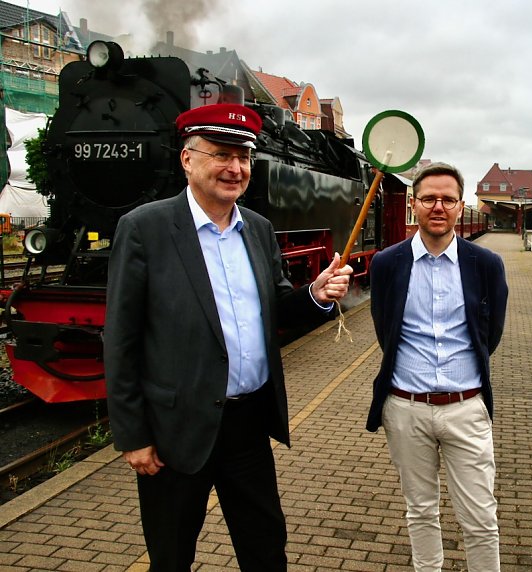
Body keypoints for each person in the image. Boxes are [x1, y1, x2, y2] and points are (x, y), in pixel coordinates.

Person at [104, 103, 353, 571]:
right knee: (172, 556)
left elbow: (276, 305)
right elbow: (121, 338)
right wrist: (133, 435)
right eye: (221, 154)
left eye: (243, 157)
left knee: (265, 551)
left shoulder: (257, 230)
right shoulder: (145, 228)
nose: (235, 168)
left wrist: (315, 294)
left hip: (248, 425)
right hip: (176, 431)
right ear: (187, 159)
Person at [367, 162, 509, 571]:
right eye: (429, 198)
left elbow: (490, 335)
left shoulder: (486, 264)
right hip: (405, 409)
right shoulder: (387, 263)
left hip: (466, 408)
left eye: (448, 199)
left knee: (481, 519)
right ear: (414, 205)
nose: (438, 206)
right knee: (420, 511)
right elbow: (385, 329)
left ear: (461, 206)